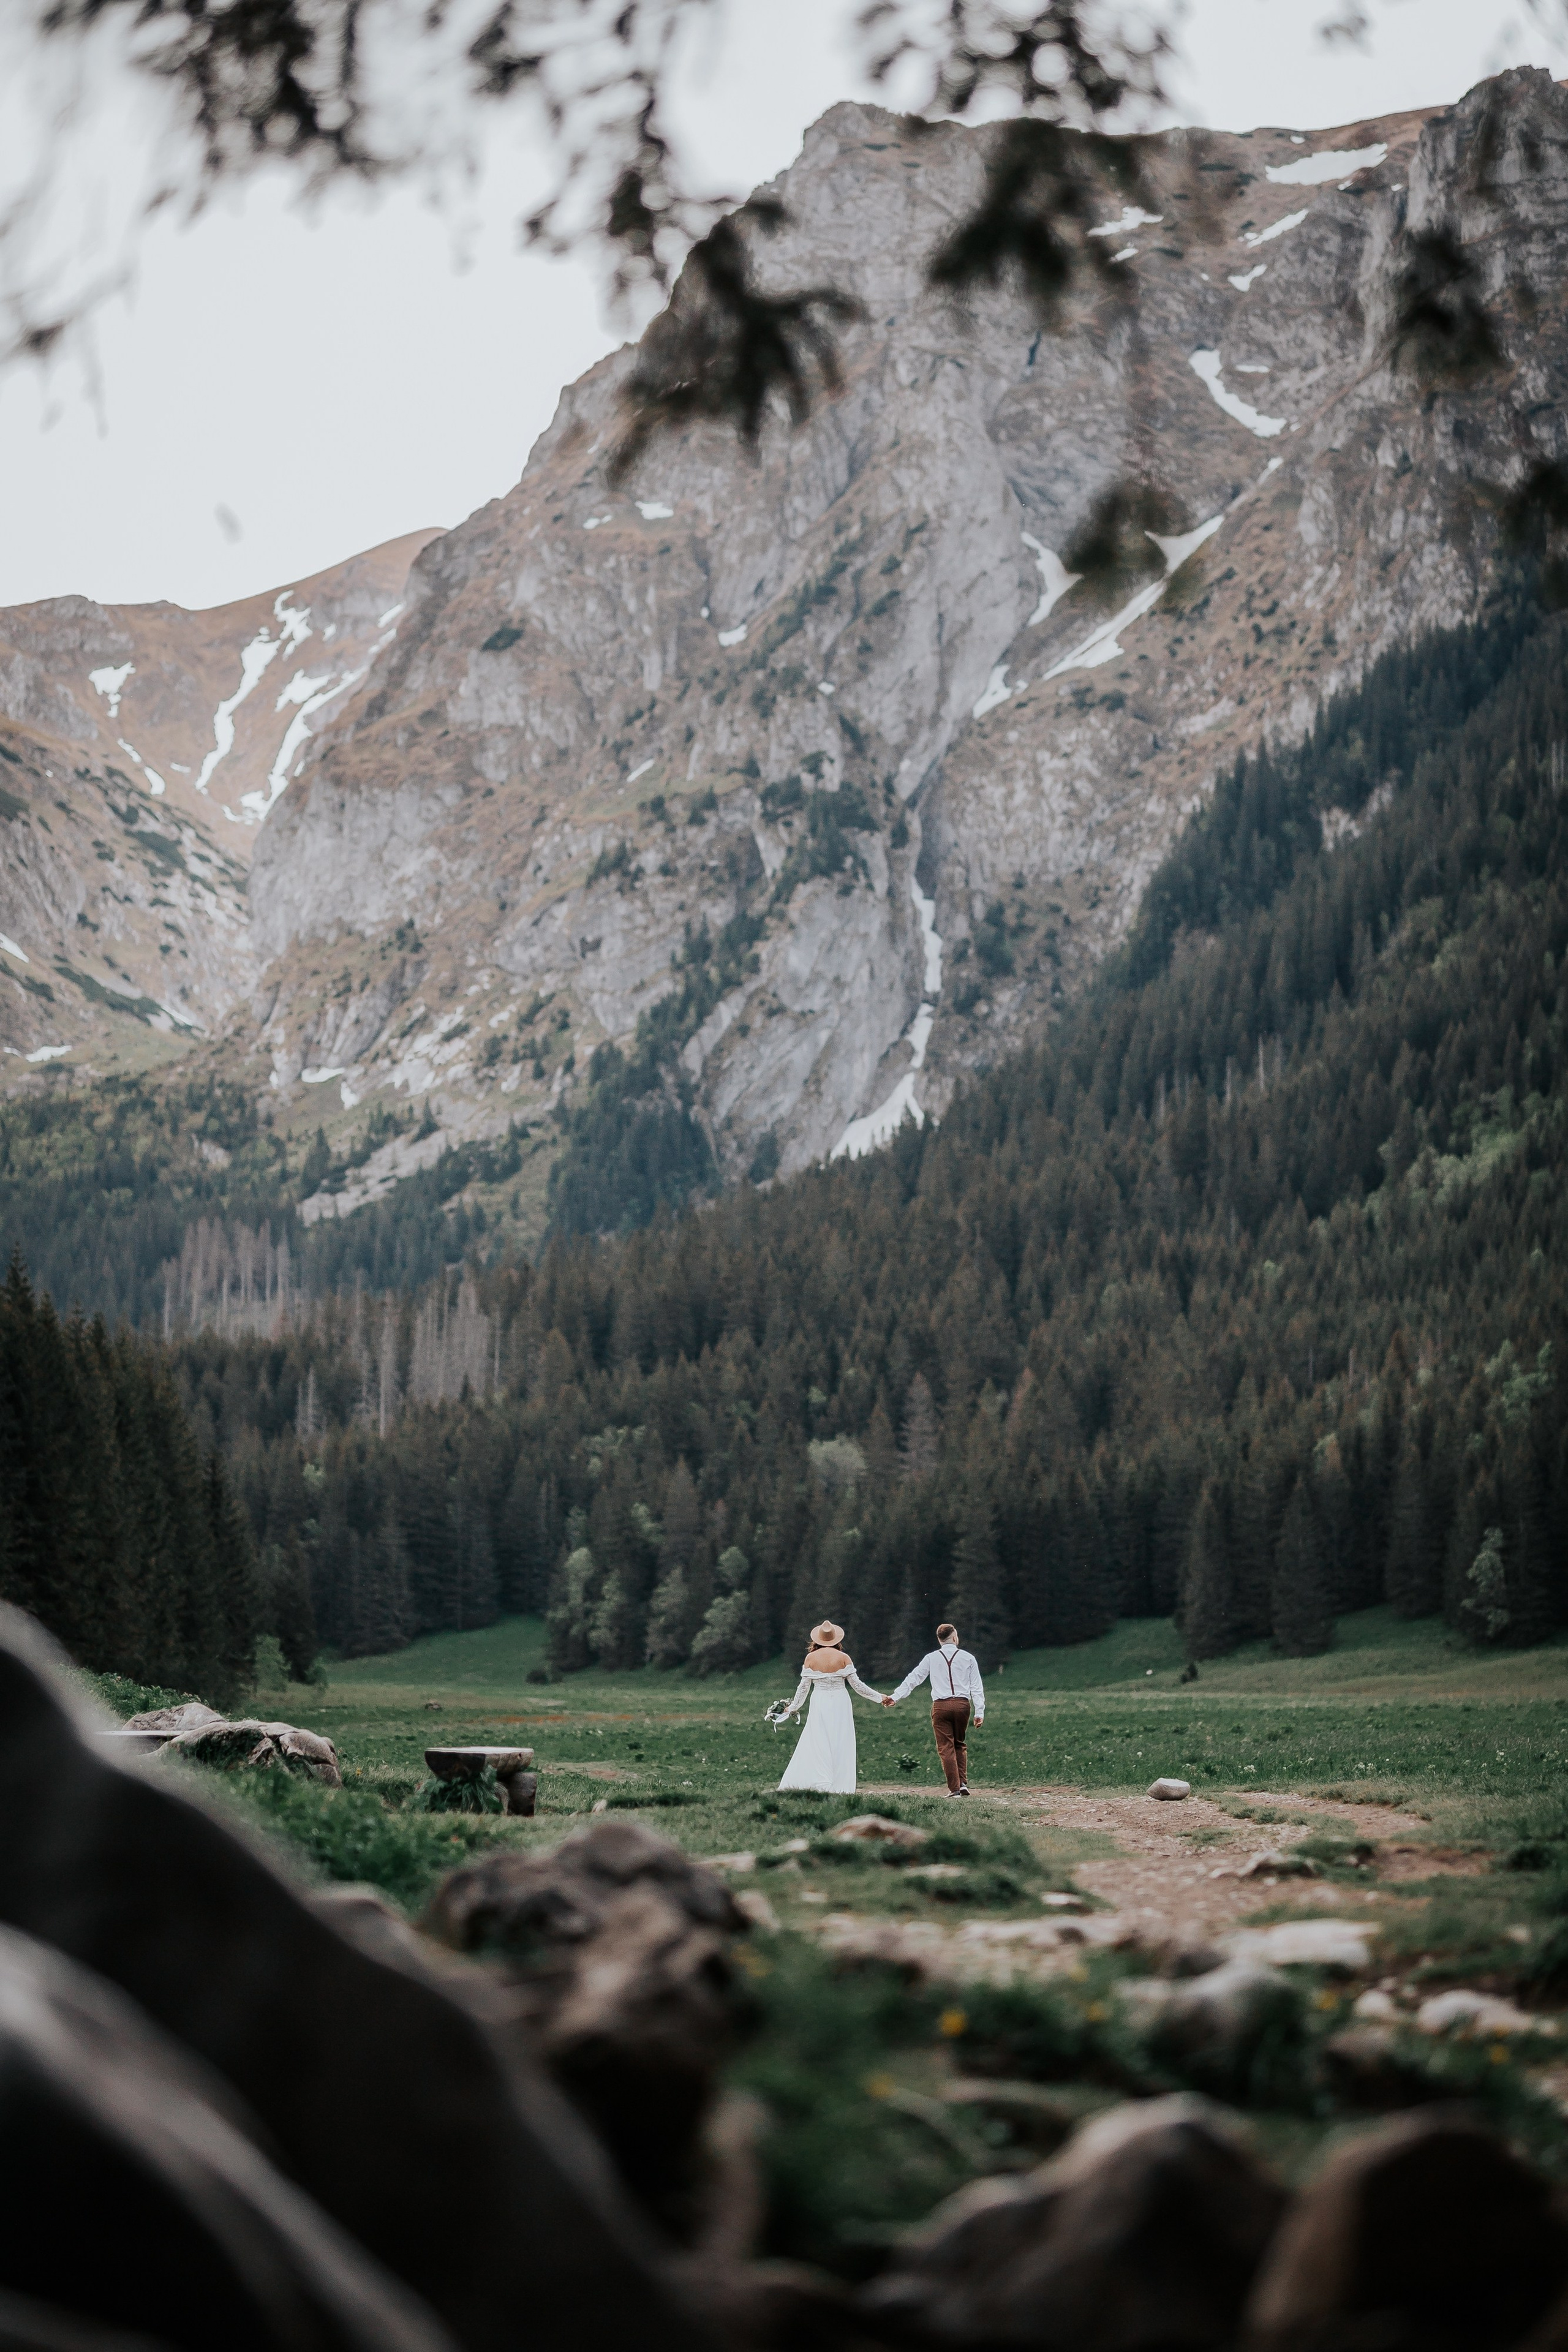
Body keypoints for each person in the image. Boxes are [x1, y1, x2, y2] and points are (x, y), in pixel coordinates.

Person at [770, 1620, 886, 1794]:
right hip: (840, 1702)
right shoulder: (844, 1658)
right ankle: (839, 1785)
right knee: (840, 1740)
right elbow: (858, 1687)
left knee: (818, 1740)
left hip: (820, 1701)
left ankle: (818, 1779)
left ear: (817, 1640)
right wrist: (880, 1698)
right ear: (836, 1639)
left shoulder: (811, 1658)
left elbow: (803, 1688)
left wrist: (793, 1707)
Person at [884, 1623, 985, 1795]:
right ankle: (963, 1783)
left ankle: (955, 1788)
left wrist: (895, 1696)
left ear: (940, 1640)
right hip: (962, 1705)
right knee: (959, 1744)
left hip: (941, 1706)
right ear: (954, 1637)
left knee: (946, 1747)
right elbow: (977, 1686)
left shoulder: (931, 1658)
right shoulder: (968, 1658)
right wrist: (979, 1711)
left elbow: (913, 1679)